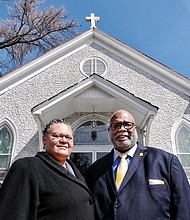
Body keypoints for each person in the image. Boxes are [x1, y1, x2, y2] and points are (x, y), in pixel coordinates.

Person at [85, 110, 190, 220]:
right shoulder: (94, 171)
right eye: (116, 125)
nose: (122, 129)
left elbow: (184, 207)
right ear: (109, 131)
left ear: (135, 128)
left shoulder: (165, 161)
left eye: (127, 125)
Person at [0, 119, 95, 220]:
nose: (64, 140)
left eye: (68, 137)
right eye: (57, 136)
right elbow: (12, 214)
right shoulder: (28, 167)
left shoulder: (75, 171)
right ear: (44, 139)